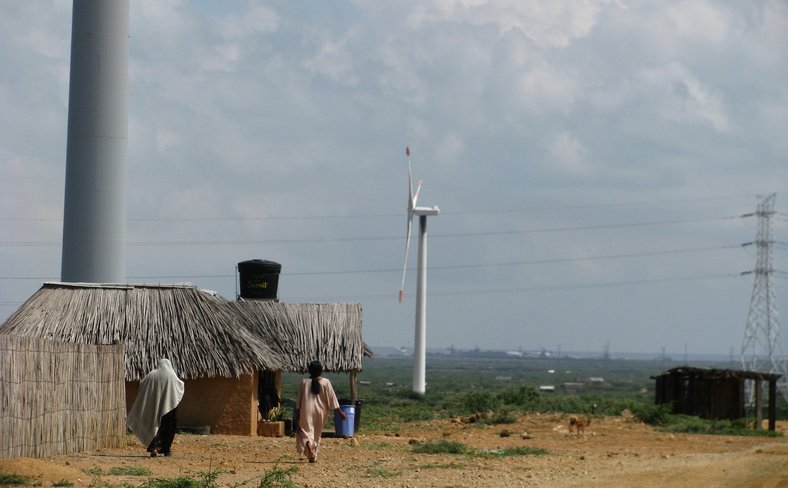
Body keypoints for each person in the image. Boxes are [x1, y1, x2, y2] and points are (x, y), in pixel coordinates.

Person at [127, 358, 185, 457]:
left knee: (152, 426)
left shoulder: (151, 375)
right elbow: (179, 385)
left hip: (153, 407)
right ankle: (166, 450)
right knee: (168, 428)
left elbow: (142, 384)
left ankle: (153, 448)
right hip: (169, 408)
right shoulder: (171, 375)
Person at [295, 360, 346, 463]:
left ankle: (308, 444)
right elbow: (332, 398)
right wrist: (340, 412)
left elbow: (299, 400)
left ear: (309, 370)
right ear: (321, 370)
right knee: (317, 433)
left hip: (306, 410)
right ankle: (313, 455)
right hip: (321, 411)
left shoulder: (304, 382)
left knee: (306, 431)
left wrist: (297, 413)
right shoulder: (326, 382)